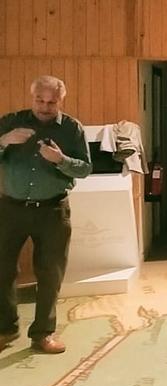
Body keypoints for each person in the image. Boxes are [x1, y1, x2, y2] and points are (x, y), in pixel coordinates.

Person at [0, 75, 91, 355]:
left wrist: (61, 160)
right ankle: (6, 328)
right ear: (32, 97)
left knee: (50, 273)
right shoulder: (11, 121)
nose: (45, 106)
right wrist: (4, 141)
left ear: (61, 100)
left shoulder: (73, 129)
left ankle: (43, 334)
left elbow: (85, 169)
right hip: (10, 208)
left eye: (52, 101)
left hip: (53, 210)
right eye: (40, 100)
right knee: (2, 270)